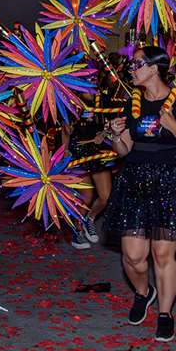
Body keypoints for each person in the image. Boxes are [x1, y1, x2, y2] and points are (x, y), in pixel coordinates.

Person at [104, 46, 176, 342]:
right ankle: (143, 292)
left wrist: (174, 127)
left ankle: (165, 313)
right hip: (135, 180)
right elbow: (125, 151)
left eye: (135, 64)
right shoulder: (132, 103)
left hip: (169, 182)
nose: (130, 69)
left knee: (162, 254)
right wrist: (115, 135)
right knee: (133, 257)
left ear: (154, 68)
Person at [61, 91, 112, 250]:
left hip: (98, 152)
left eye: (93, 80)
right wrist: (65, 155)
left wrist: (104, 133)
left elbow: (112, 123)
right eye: (86, 81)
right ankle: (78, 231)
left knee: (106, 197)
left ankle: (90, 218)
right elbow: (65, 131)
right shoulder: (70, 101)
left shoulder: (104, 100)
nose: (90, 86)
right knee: (86, 197)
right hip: (78, 153)